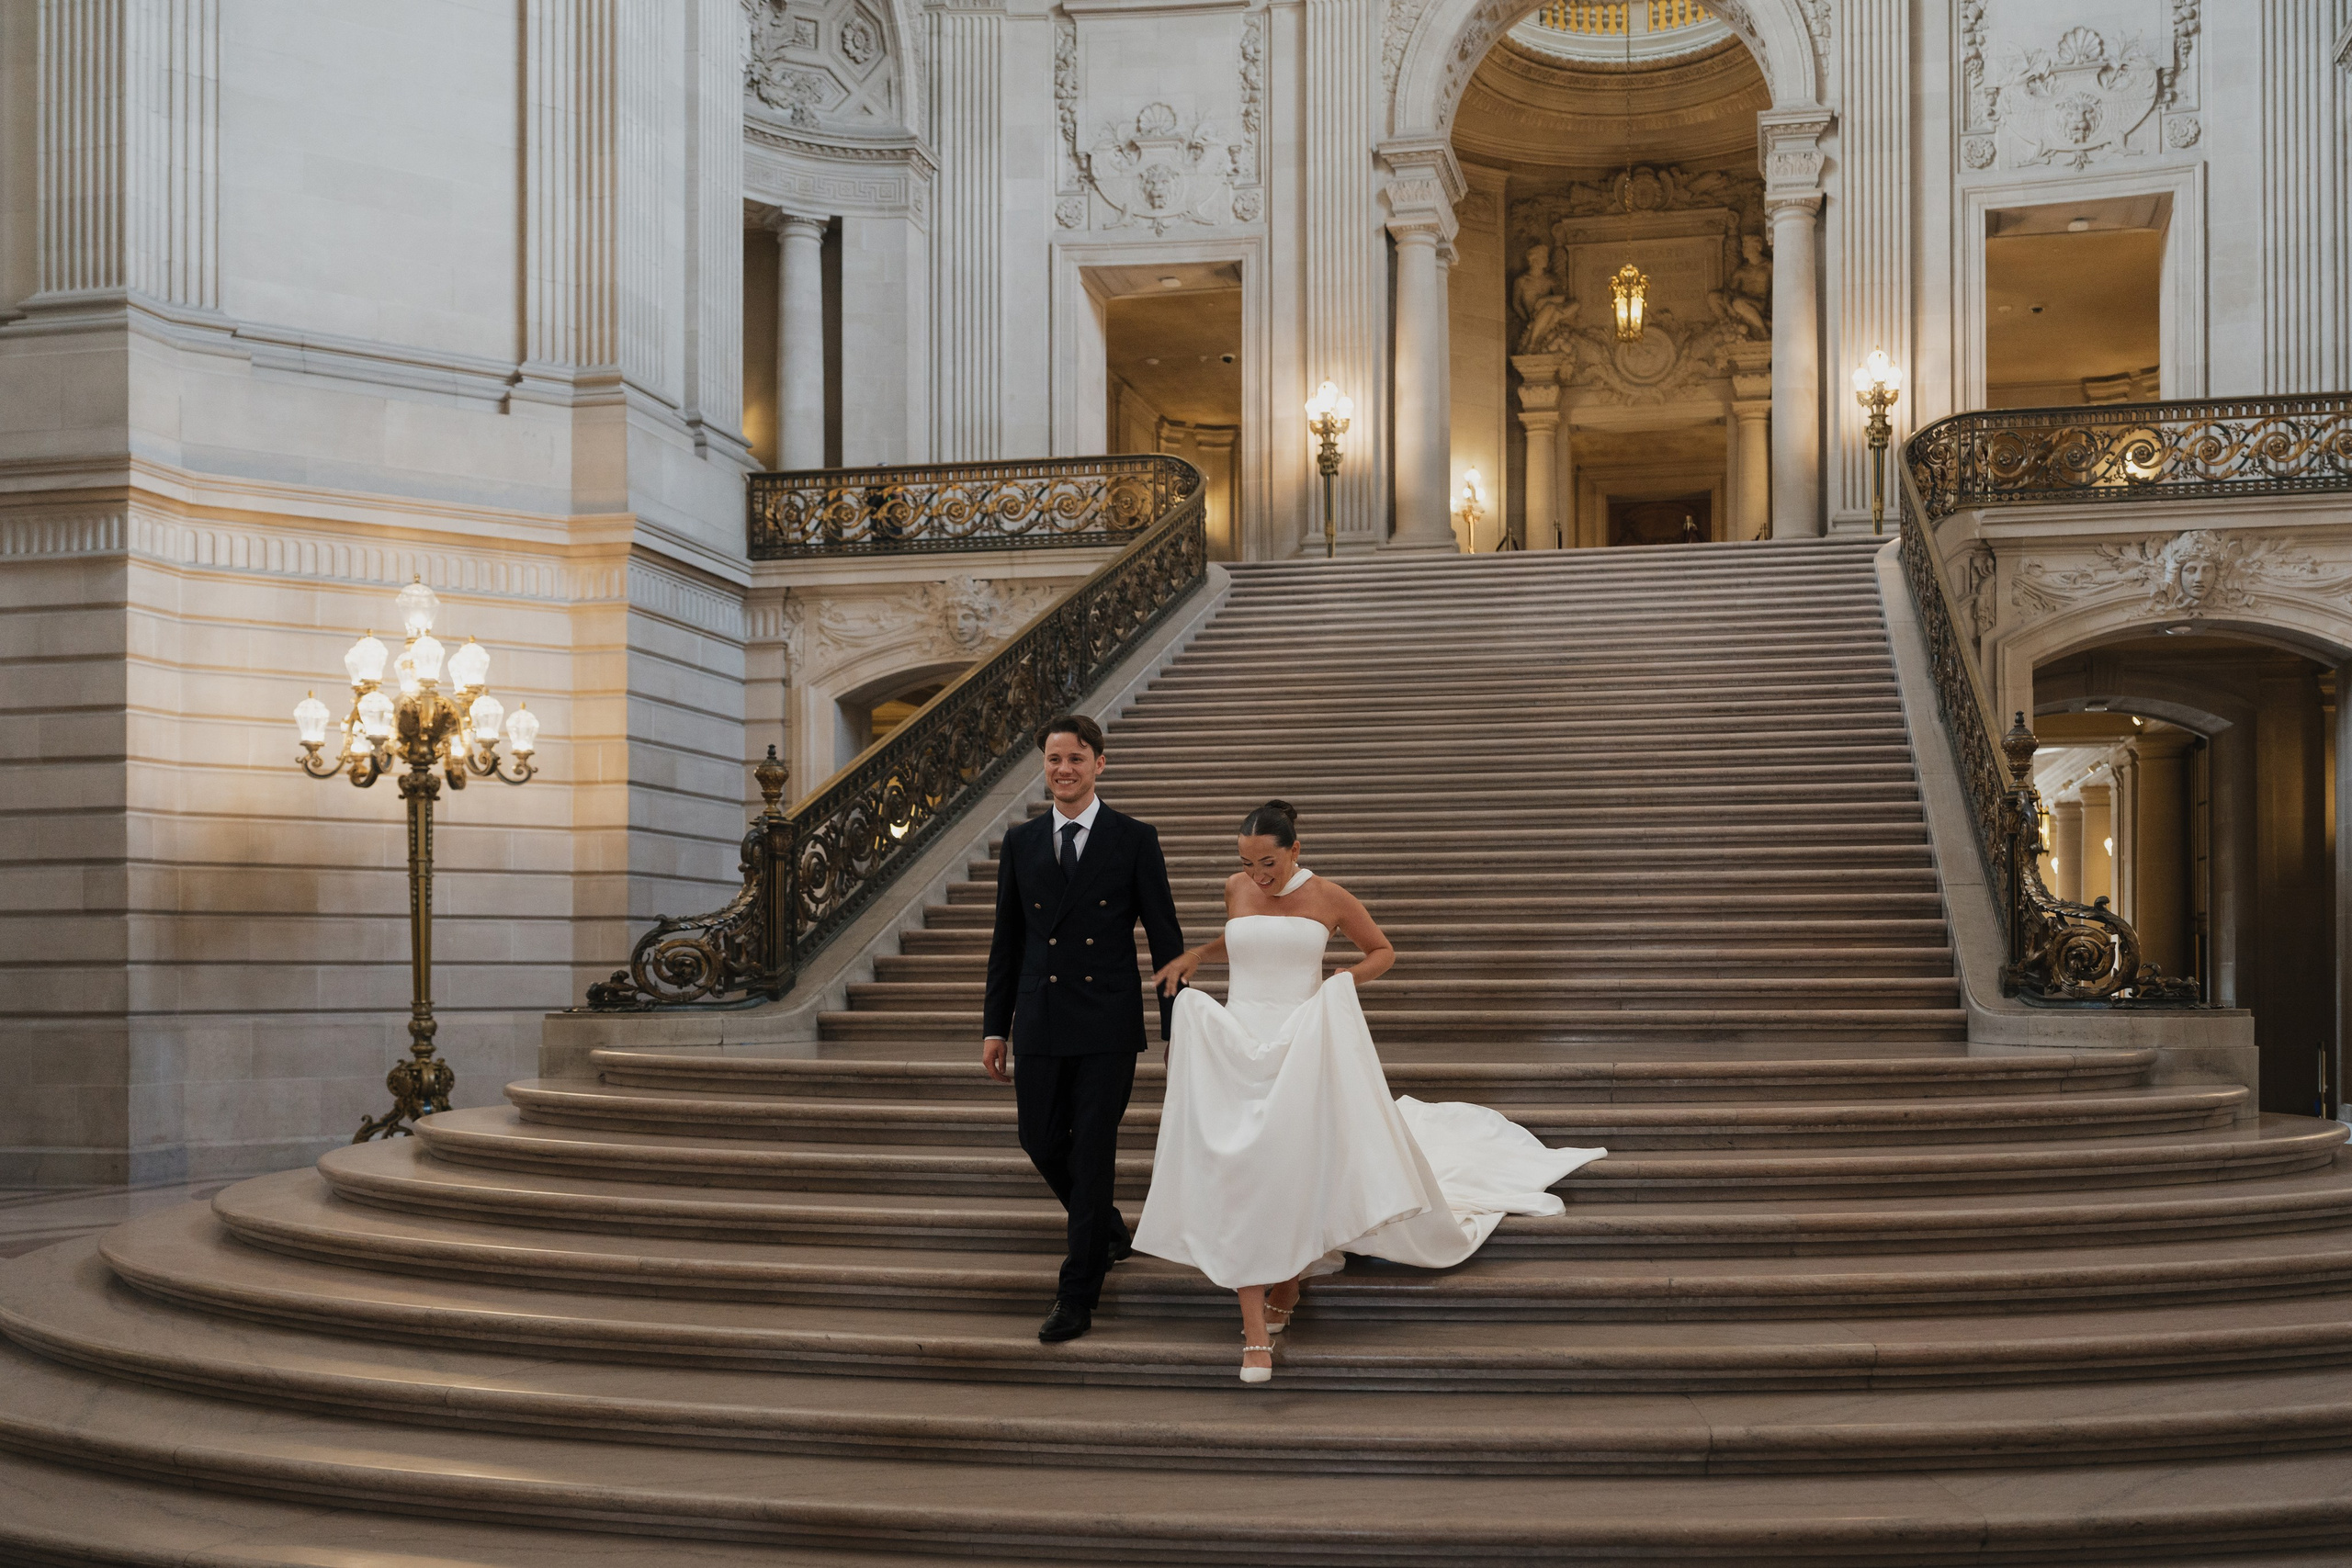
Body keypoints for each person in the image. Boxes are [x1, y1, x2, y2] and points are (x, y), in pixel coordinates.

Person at [1135, 800, 1607, 1383]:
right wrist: (1200, 954)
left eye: (1269, 863)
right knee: (1243, 1168)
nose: (1258, 875)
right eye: (1247, 862)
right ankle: (1260, 1315)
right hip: (1239, 1039)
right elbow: (1247, 942)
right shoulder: (1236, 888)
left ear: (1295, 851)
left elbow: (1382, 952)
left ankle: (1285, 1280)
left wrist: (1344, 979)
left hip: (1305, 1038)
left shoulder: (1329, 897)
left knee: (1290, 1162)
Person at [982, 714, 1185, 1344]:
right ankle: (1107, 1226)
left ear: (1100, 763)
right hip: (1039, 1016)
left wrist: (1180, 1029)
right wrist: (996, 1026)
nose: (1063, 770)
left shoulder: (1133, 838)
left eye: (1075, 759)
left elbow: (1165, 937)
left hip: (1106, 1020)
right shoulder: (1021, 843)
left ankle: (1078, 1292)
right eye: (1053, 759)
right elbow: (1006, 942)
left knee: (1093, 1151)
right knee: (1038, 1138)